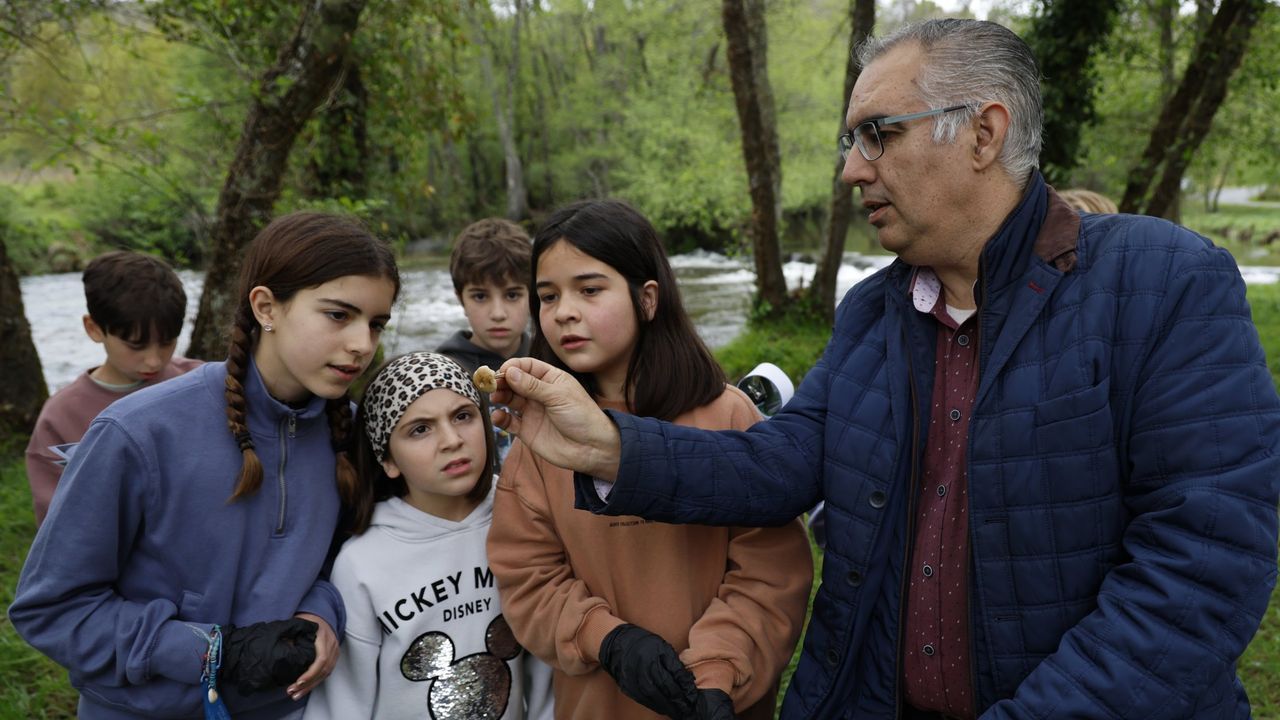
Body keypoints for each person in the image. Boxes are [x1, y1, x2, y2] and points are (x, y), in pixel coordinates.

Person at [487, 19, 1280, 720]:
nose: (851, 170)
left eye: (878, 134)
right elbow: (781, 462)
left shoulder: (1163, 282)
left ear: (983, 132)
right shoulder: (875, 311)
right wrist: (608, 447)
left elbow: (1201, 570)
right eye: (848, 142)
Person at [9, 211, 401, 719]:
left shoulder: (349, 431)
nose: (362, 345)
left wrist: (320, 612)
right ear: (266, 307)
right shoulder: (138, 431)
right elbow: (51, 610)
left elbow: (344, 560)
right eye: (338, 315)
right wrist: (210, 651)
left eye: (375, 324)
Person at [486, 199, 812, 720]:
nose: (564, 310)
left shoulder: (726, 414)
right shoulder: (541, 436)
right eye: (548, 297)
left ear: (647, 298)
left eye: (589, 290)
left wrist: (718, 671)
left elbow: (770, 569)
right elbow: (528, 577)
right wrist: (607, 639)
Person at [304, 351, 554, 720]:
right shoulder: (363, 562)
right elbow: (343, 703)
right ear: (387, 460)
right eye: (420, 429)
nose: (451, 440)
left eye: (463, 416)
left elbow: (548, 677)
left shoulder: (525, 518)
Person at [25, 250, 201, 526]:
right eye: (136, 345)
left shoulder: (199, 384)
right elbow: (58, 525)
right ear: (94, 328)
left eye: (167, 342)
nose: (154, 359)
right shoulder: (60, 417)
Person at [437, 217, 533, 466]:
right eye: (480, 296)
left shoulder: (550, 359)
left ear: (532, 294)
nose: (498, 313)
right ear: (460, 299)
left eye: (512, 294)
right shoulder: (442, 374)